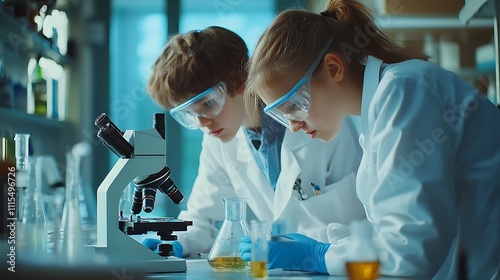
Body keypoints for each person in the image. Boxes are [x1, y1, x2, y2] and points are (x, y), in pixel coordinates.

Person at [242, 0, 500, 279]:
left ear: (333, 68)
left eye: (294, 105)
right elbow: (389, 231)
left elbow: (410, 250)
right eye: (281, 116)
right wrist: (328, 248)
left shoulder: (403, 90)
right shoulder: (377, 110)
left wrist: (318, 254)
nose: (293, 127)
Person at [142, 26, 366, 261]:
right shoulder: (218, 141)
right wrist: (172, 243)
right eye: (189, 114)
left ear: (242, 79)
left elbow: (364, 223)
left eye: (207, 104)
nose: (202, 123)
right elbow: (203, 219)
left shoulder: (321, 124)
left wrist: (312, 253)